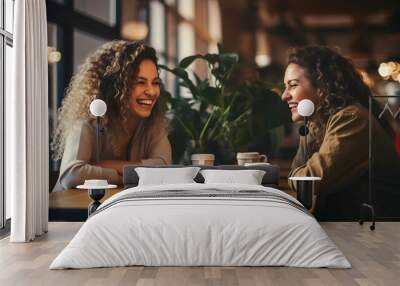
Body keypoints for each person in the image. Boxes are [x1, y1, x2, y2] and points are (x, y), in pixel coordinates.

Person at [282, 46, 400, 220]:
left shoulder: (352, 118)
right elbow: (299, 178)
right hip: (356, 229)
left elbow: (307, 181)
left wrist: (296, 176)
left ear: (321, 86)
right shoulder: (321, 122)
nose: (284, 96)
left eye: (292, 86)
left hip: (378, 236)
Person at [51, 41, 172, 192]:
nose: (152, 91)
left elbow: (164, 168)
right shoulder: (88, 121)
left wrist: (102, 166)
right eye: (140, 82)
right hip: (70, 212)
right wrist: (124, 178)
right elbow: (72, 174)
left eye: (155, 83)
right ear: (116, 85)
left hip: (114, 209)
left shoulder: (153, 123)